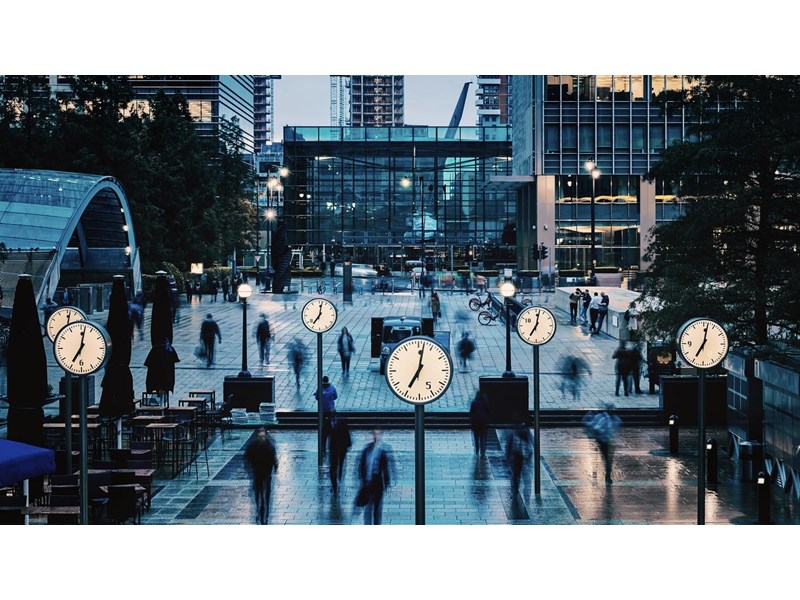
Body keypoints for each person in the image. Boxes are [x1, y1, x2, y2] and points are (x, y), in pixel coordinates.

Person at [243, 427, 278, 524]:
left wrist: (275, 466)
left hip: (266, 473)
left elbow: (273, 457)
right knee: (259, 492)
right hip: (257, 472)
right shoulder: (256, 445)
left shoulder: (268, 445)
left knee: (265, 493)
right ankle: (261, 509)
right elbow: (247, 458)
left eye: (263, 432)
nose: (261, 434)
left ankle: (264, 510)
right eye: (260, 432)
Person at [357, 430, 393, 525]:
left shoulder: (382, 452)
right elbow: (361, 467)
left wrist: (387, 482)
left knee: (377, 509)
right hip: (367, 484)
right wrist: (361, 480)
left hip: (377, 484)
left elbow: (385, 468)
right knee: (368, 509)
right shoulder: (365, 451)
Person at [582, 404, 621, 483]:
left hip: (610, 442)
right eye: (611, 409)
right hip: (601, 441)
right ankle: (599, 475)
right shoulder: (602, 418)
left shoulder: (616, 419)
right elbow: (593, 426)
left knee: (608, 460)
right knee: (604, 459)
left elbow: (617, 431)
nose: (612, 411)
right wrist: (599, 432)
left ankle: (607, 476)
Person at [505, 421, 534, 495]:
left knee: (517, 473)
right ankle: (518, 488)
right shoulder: (524, 432)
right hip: (519, 456)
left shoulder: (515, 433)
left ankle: (516, 488)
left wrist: (508, 458)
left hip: (518, 456)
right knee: (520, 473)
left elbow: (509, 447)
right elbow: (530, 444)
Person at [328, 411, 352, 496]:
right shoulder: (328, 424)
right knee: (333, 468)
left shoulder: (342, 423)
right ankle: (334, 486)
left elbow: (347, 434)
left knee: (340, 465)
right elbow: (325, 436)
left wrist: (348, 444)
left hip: (342, 448)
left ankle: (338, 481)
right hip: (333, 449)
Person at [314, 375, 338, 453]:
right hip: (331, 409)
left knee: (323, 429)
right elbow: (335, 396)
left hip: (322, 410)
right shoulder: (332, 388)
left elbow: (317, 397)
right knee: (332, 428)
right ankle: (332, 445)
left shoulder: (320, 388)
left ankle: (323, 447)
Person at [469, 390, 491, 457]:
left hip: (475, 421)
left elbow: (471, 412)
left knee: (476, 436)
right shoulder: (485, 402)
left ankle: (477, 450)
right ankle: (482, 450)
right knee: (483, 436)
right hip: (483, 421)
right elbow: (488, 411)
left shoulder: (474, 402)